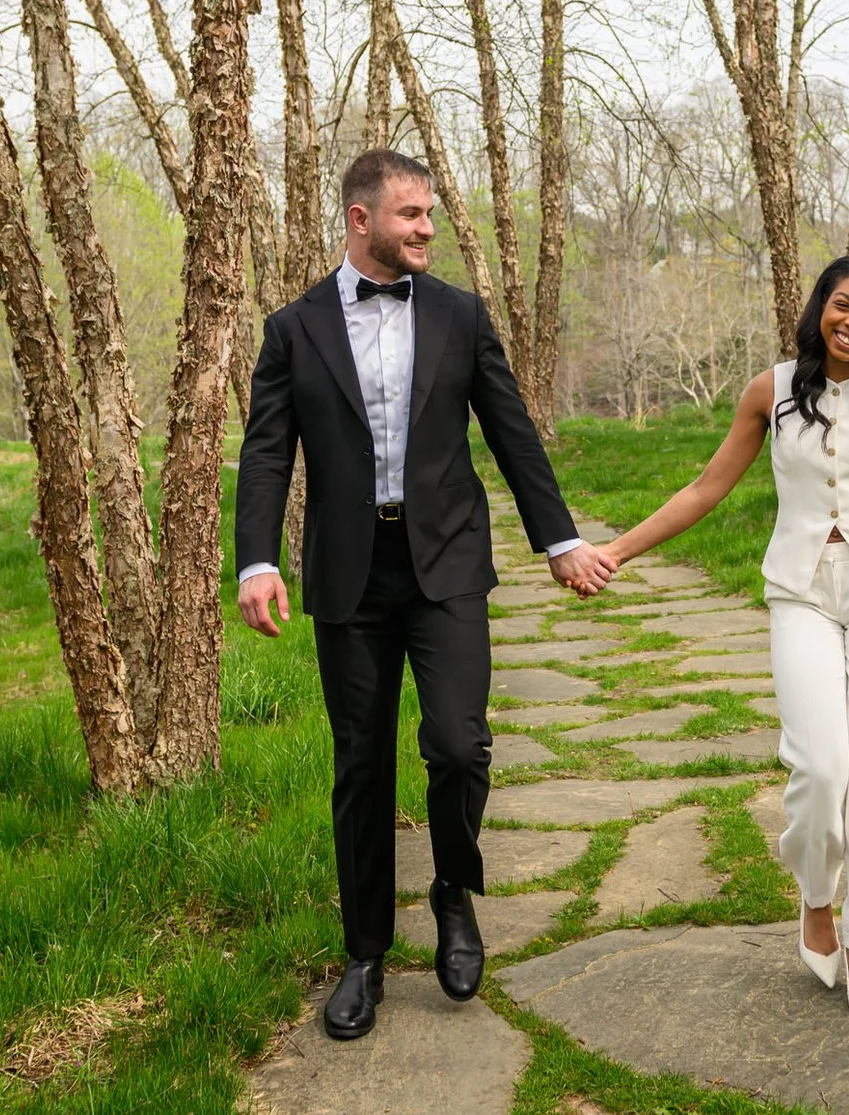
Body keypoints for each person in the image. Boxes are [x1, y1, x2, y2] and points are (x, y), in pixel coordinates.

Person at [234, 148, 616, 1042]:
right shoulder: (293, 329)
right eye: (411, 213)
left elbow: (511, 430)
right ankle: (363, 952)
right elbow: (264, 453)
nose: (427, 229)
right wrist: (257, 560)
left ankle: (453, 893)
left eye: (430, 214)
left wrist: (558, 537)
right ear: (361, 219)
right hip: (348, 576)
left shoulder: (458, 313)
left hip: (447, 564)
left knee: (457, 744)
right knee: (361, 764)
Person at [599, 255, 849, 1018]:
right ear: (820, 306)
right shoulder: (770, 390)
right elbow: (708, 486)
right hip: (801, 590)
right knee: (822, 765)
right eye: (844, 305)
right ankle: (815, 898)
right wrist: (615, 551)